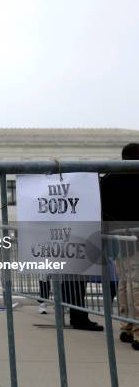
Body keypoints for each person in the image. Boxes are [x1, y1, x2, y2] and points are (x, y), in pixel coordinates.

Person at [101, 142, 139, 350]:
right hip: (135, 235)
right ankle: (138, 331)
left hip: (117, 236)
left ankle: (126, 325)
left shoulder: (109, 178)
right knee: (135, 284)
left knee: (125, 281)